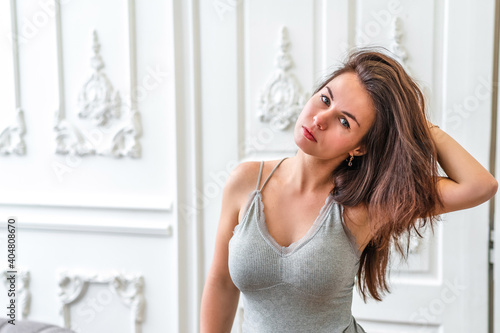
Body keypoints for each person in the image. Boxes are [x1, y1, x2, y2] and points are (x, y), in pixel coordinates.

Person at [200, 49, 498, 332]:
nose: (319, 119)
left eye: (344, 121)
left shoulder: (367, 205)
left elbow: (480, 186)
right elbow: (222, 282)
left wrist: (417, 125)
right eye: (325, 99)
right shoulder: (247, 181)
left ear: (361, 146)